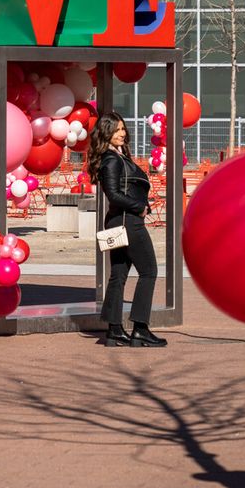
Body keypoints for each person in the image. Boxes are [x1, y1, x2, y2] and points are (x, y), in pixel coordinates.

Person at [87, 111, 167, 348]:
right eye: (116, 129)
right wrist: (140, 206)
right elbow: (113, 195)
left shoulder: (118, 157)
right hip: (127, 222)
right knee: (149, 271)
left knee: (119, 275)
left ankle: (114, 331)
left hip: (120, 222)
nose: (122, 133)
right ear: (106, 132)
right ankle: (140, 329)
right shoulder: (111, 160)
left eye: (123, 128)